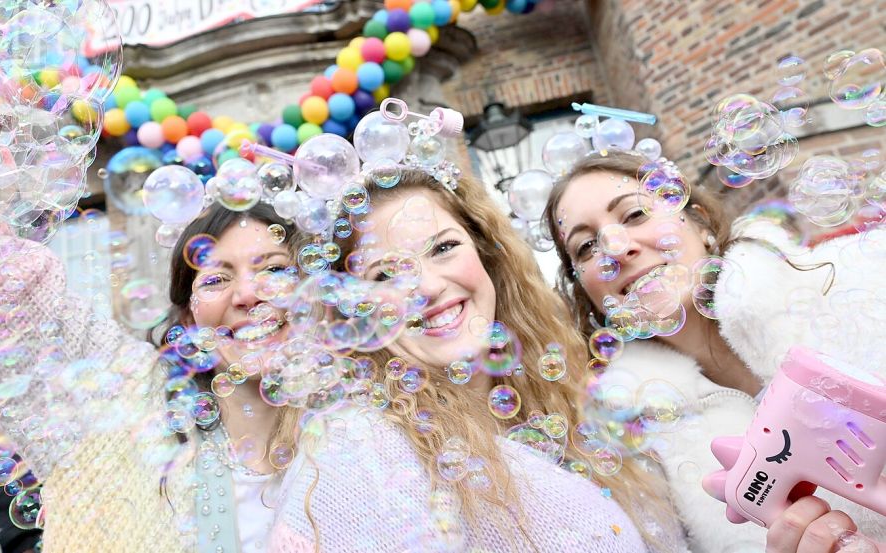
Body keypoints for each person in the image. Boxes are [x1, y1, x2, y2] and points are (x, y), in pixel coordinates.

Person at [264, 168, 690, 552]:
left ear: (487, 254)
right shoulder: (354, 457)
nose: (427, 286)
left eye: (443, 247)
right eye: (386, 275)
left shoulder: (576, 400)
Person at [543, 150, 886, 552]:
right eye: (586, 247)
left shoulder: (860, 279)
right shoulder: (638, 447)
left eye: (635, 215)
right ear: (587, 291)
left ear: (700, 221)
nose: (616, 249)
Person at [0, 201, 312, 552]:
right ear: (190, 319)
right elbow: (5, 307)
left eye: (275, 269)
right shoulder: (127, 401)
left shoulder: (355, 435)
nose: (247, 294)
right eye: (216, 278)